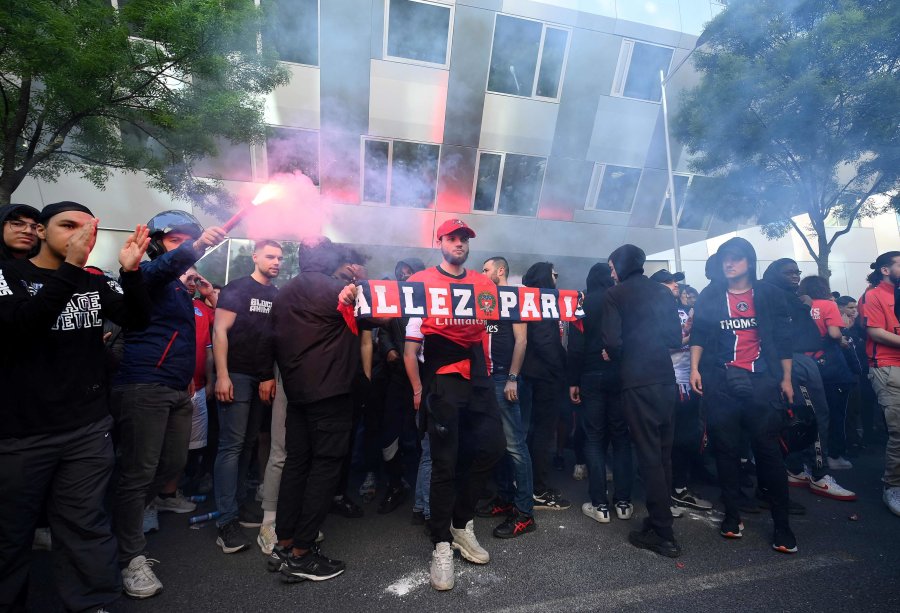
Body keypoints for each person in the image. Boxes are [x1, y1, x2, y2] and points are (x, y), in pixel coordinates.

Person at [0, 201, 151, 612]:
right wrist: (69, 268)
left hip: (86, 427)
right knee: (11, 534)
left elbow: (136, 319)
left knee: (85, 524)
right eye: (67, 225)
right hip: (21, 432)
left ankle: (91, 603)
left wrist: (132, 272)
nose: (80, 235)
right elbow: (18, 328)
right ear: (42, 232)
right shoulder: (8, 274)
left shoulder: (93, 281)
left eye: (88, 228)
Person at [111, 210, 226, 599]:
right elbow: (154, 274)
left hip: (179, 389)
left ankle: (139, 509)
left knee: (174, 462)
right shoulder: (140, 274)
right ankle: (130, 556)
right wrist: (196, 248)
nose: (187, 247)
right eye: (177, 240)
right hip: (144, 385)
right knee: (138, 470)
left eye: (190, 240)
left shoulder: (179, 285)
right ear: (158, 243)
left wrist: (200, 289)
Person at [402, 219, 506, 591]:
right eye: (452, 238)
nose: (459, 243)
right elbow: (394, 322)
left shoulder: (483, 284)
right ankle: (441, 544)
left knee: (493, 447)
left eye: (464, 239)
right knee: (444, 461)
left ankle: (460, 524)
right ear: (440, 242)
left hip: (476, 373)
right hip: (442, 373)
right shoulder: (421, 281)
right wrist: (354, 295)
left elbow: (491, 329)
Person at [690, 238, 798, 553]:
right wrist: (695, 369)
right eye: (726, 258)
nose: (729, 264)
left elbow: (783, 338)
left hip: (762, 382)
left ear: (749, 262)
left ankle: (782, 527)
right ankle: (732, 516)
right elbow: (699, 333)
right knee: (725, 451)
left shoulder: (770, 294)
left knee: (768, 452)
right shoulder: (711, 295)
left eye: (736, 259)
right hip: (721, 383)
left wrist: (787, 378)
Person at [263, 237, 361, 582]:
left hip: (298, 394)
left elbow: (270, 339)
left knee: (296, 465)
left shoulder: (285, 292)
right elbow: (378, 317)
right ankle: (302, 554)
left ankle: (285, 542)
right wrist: (355, 289)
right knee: (324, 469)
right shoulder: (338, 290)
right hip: (331, 393)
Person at [602, 245, 683, 557]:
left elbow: (611, 341)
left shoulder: (615, 294)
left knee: (648, 455)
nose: (611, 273)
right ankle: (658, 518)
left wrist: (620, 354)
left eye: (612, 267)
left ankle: (663, 532)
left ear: (620, 266)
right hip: (665, 378)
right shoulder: (663, 293)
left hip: (636, 381)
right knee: (664, 454)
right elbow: (675, 338)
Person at [761, 259, 855, 502]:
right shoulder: (775, 295)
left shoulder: (790, 297)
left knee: (798, 417)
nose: (795, 276)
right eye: (788, 272)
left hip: (799, 360)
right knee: (816, 416)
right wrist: (804, 305)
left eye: (797, 272)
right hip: (796, 361)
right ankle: (819, 475)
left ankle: (794, 468)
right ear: (773, 274)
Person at [212, 240, 283, 553]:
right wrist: (223, 375)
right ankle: (225, 521)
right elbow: (219, 332)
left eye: (280, 257)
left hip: (260, 378)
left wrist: (268, 376)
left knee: (248, 444)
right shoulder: (237, 288)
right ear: (255, 257)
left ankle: (239, 507)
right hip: (236, 375)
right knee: (231, 446)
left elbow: (272, 341)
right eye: (270, 256)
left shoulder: (277, 295)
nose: (276, 261)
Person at [569, 263, 634, 524]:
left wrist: (572, 381)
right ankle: (624, 502)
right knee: (621, 437)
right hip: (619, 375)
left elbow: (575, 345)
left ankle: (600, 505)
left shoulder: (582, 303)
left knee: (594, 439)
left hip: (590, 375)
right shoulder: (622, 300)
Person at [477, 256, 537, 538]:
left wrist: (512, 377)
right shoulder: (481, 298)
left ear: (501, 271)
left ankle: (524, 513)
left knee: (515, 446)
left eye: (486, 269)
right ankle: (504, 498)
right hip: (486, 380)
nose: (482, 272)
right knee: (496, 444)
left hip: (504, 379)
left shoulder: (514, 298)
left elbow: (522, 341)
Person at [649, 269, 712, 511]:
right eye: (668, 282)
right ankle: (665, 491)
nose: (675, 286)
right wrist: (688, 337)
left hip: (690, 381)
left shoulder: (684, 311)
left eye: (675, 281)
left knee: (687, 437)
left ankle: (680, 487)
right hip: (667, 383)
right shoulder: (651, 313)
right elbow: (659, 345)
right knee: (666, 439)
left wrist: (692, 332)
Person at [370, 258, 426, 515]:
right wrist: (391, 349)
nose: (404, 277)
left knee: (421, 435)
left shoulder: (430, 299)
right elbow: (383, 333)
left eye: (409, 272)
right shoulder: (394, 301)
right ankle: (395, 484)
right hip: (397, 379)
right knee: (389, 433)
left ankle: (423, 490)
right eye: (400, 273)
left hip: (426, 379)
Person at [521, 262, 571, 511]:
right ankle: (538, 489)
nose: (557, 278)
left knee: (533, 432)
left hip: (534, 375)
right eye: (554, 274)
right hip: (544, 377)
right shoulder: (540, 300)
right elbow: (544, 340)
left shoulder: (530, 298)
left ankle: (531, 486)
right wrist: (562, 368)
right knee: (542, 433)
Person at [799, 276, 857, 470]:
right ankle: (833, 455)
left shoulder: (802, 305)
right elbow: (833, 333)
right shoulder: (828, 305)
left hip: (807, 364)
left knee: (813, 413)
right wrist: (842, 338)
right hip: (831, 365)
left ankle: (811, 455)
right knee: (836, 412)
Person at [860, 251, 900, 516]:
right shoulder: (873, 295)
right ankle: (893, 486)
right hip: (887, 368)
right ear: (886, 270)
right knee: (899, 431)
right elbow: (874, 332)